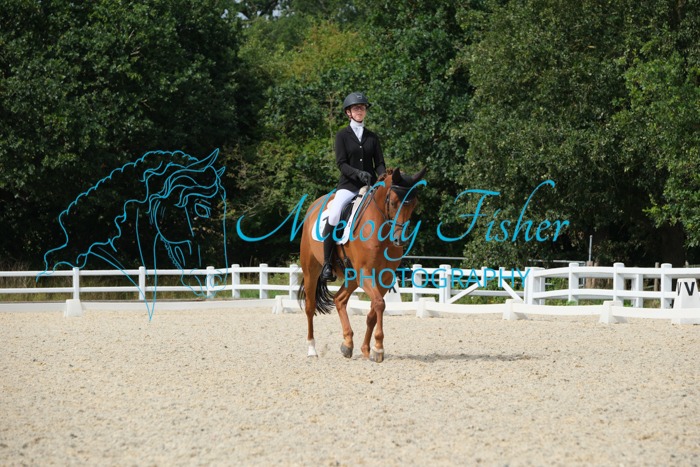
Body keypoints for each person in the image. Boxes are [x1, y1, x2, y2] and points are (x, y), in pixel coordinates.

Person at [320, 92, 386, 282]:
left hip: (369, 187)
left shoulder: (372, 137)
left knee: (386, 212)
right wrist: (358, 173)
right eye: (356, 108)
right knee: (334, 214)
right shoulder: (342, 135)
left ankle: (389, 258)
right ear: (348, 112)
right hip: (348, 186)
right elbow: (341, 163)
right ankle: (327, 263)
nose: (360, 111)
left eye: (362, 108)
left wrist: (383, 178)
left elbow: (379, 163)